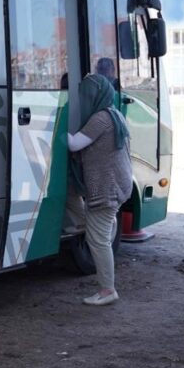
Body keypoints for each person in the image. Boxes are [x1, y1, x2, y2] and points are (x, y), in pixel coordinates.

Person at [68, 73, 131, 306]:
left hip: (106, 190)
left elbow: (74, 144)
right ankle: (102, 225)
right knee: (97, 228)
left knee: (98, 241)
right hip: (117, 186)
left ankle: (107, 290)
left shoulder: (100, 118)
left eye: (85, 95)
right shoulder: (114, 113)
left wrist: (54, 124)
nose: (82, 99)